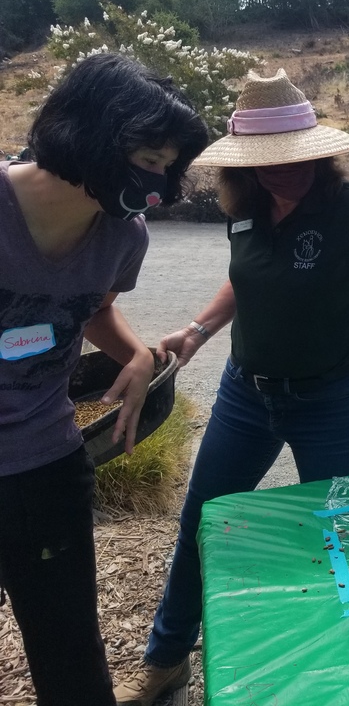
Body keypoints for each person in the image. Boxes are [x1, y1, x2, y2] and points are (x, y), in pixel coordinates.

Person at [114, 69, 349, 705]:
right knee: (201, 522)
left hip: (330, 402)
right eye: (267, 162)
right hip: (244, 396)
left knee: (337, 534)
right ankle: (166, 659)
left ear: (318, 153)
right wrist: (196, 331)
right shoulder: (246, 210)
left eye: (293, 158)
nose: (281, 172)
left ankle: (342, 669)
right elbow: (248, 278)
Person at [0, 53, 208, 706]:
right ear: (91, 133)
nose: (160, 185)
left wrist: (136, 355)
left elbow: (92, 310)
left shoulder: (124, 236)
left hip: (47, 463)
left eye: (169, 167)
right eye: (150, 161)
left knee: (71, 659)